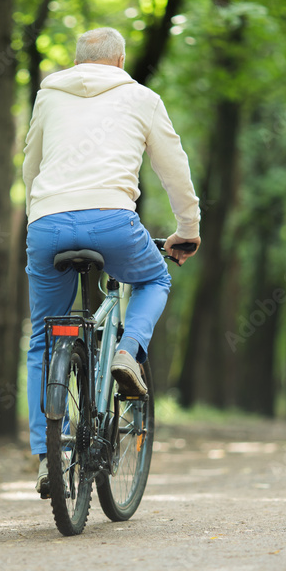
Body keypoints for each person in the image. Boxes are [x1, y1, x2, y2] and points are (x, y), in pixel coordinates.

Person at [22, 27, 201, 495]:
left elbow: (31, 162)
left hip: (47, 225)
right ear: (120, 61)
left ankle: (48, 456)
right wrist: (188, 228)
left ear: (77, 61)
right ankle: (127, 351)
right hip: (112, 221)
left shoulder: (49, 96)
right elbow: (173, 166)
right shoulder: (141, 97)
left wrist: (37, 214)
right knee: (154, 280)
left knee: (43, 335)